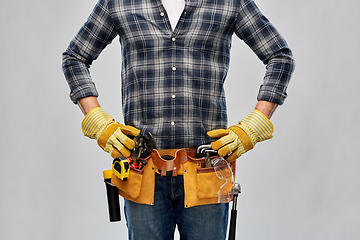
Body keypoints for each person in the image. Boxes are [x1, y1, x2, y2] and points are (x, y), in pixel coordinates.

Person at [62, 0, 295, 239]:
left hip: (206, 169)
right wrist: (97, 119)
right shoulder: (119, 3)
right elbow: (75, 57)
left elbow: (280, 56)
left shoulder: (229, 3)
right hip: (143, 170)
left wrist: (255, 124)